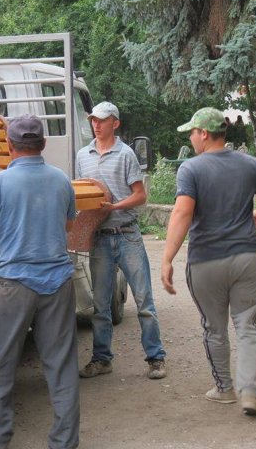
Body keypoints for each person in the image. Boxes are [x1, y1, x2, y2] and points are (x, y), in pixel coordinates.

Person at [0, 114, 79, 449]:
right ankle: (64, 442)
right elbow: (68, 228)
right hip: (57, 281)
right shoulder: (61, 180)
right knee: (61, 365)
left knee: (2, 365)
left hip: (14, 285)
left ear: (9, 146)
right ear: (43, 144)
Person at [160, 107, 256, 416]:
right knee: (247, 326)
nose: (190, 137)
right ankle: (250, 392)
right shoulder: (250, 165)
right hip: (248, 258)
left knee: (214, 328)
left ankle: (224, 389)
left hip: (206, 262)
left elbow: (182, 213)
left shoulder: (191, 169)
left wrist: (167, 258)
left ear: (204, 134)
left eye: (192, 132)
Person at [76, 101, 167, 380]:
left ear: (115, 123)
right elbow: (83, 194)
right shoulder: (83, 155)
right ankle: (102, 359)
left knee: (144, 301)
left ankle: (156, 359)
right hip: (99, 238)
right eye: (93, 119)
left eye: (102, 120)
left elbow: (140, 196)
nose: (96, 124)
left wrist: (113, 208)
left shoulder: (126, 154)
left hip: (127, 234)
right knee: (101, 305)